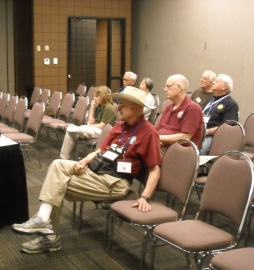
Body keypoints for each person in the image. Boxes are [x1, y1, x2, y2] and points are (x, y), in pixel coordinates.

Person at [12, 86, 161, 254]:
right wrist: (83, 161)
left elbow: (155, 170)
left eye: (123, 104)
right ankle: (43, 220)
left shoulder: (149, 133)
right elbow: (100, 151)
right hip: (98, 170)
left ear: (135, 108)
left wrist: (145, 197)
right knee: (57, 165)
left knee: (56, 186)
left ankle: (49, 235)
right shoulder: (119, 126)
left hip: (115, 182)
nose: (118, 107)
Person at [60, 86, 116, 160]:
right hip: (94, 128)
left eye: (96, 96)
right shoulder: (100, 106)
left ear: (102, 96)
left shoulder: (109, 108)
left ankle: (68, 127)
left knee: (77, 129)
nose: (94, 98)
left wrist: (90, 126)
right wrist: (92, 108)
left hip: (101, 132)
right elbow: (91, 121)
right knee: (70, 133)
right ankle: (63, 159)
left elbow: (102, 126)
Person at [156, 74, 204, 155]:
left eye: (168, 86)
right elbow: (156, 130)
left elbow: (185, 137)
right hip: (162, 147)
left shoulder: (192, 108)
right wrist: (153, 139)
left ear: (179, 88)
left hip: (180, 152)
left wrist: (159, 138)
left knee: (141, 154)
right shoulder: (168, 108)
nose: (165, 90)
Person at [200, 74, 239, 155]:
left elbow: (226, 127)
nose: (213, 82)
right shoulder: (210, 100)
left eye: (216, 81)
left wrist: (206, 132)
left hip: (213, 136)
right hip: (201, 132)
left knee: (198, 151)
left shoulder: (231, 104)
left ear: (224, 87)